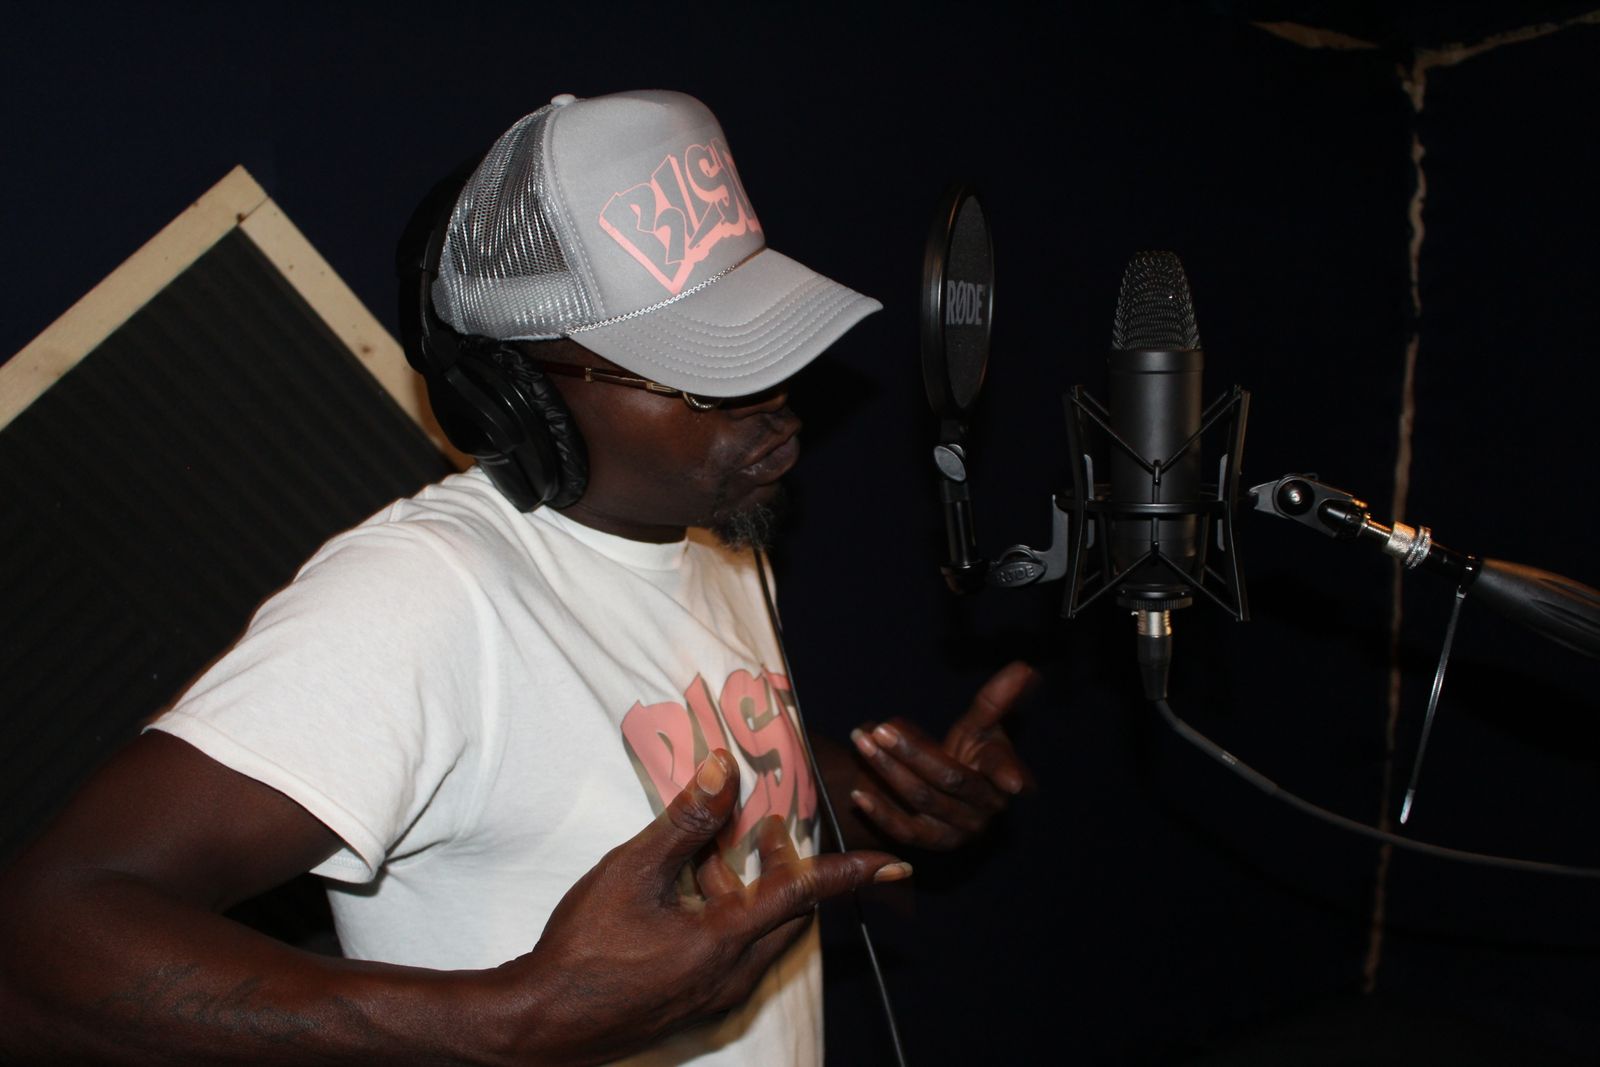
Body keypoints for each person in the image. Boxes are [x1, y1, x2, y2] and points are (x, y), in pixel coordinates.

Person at [0, 90, 1036, 1065]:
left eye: (768, 346)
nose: (779, 414)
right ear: (516, 394)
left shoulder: (715, 534)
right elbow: (38, 951)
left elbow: (642, 755)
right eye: (707, 378)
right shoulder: (421, 593)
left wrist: (873, 796)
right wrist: (516, 1019)